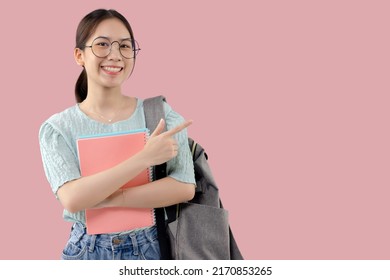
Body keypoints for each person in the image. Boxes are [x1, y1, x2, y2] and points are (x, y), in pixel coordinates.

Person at [39, 8, 196, 260]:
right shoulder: (57, 128)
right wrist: (144, 158)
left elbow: (185, 186)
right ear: (79, 55)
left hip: (151, 247)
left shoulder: (159, 113)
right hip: (87, 252)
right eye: (102, 44)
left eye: (125, 46)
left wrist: (108, 198)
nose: (115, 55)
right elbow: (73, 198)